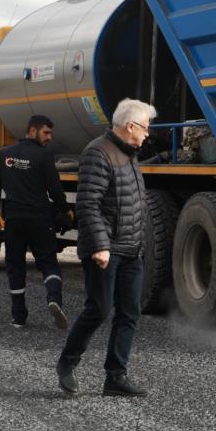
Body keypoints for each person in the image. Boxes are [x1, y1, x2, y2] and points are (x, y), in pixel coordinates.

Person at [55, 98, 156, 397]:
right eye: (146, 128)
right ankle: (67, 363)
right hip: (105, 249)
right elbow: (88, 204)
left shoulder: (129, 153)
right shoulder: (98, 153)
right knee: (99, 309)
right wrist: (100, 246)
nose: (148, 134)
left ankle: (116, 377)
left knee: (129, 313)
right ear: (130, 126)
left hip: (130, 248)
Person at [0, 115, 72, 329]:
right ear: (32, 131)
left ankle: (19, 316)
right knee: (48, 263)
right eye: (46, 133)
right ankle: (54, 299)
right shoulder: (44, 156)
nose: (49, 138)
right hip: (40, 219)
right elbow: (54, 189)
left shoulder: (6, 155)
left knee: (15, 267)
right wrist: (66, 210)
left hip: (14, 220)